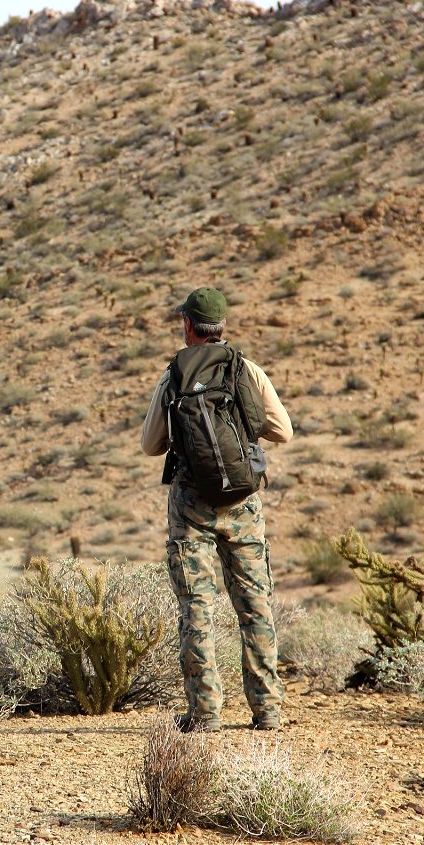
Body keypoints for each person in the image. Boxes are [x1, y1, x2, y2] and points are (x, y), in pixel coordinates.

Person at [140, 287, 293, 732]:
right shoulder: (247, 370)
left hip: (191, 508)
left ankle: (205, 713)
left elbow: (151, 445)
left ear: (188, 326)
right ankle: (268, 711)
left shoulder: (173, 377)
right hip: (243, 503)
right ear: (222, 326)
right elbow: (283, 431)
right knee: (255, 606)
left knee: (197, 607)